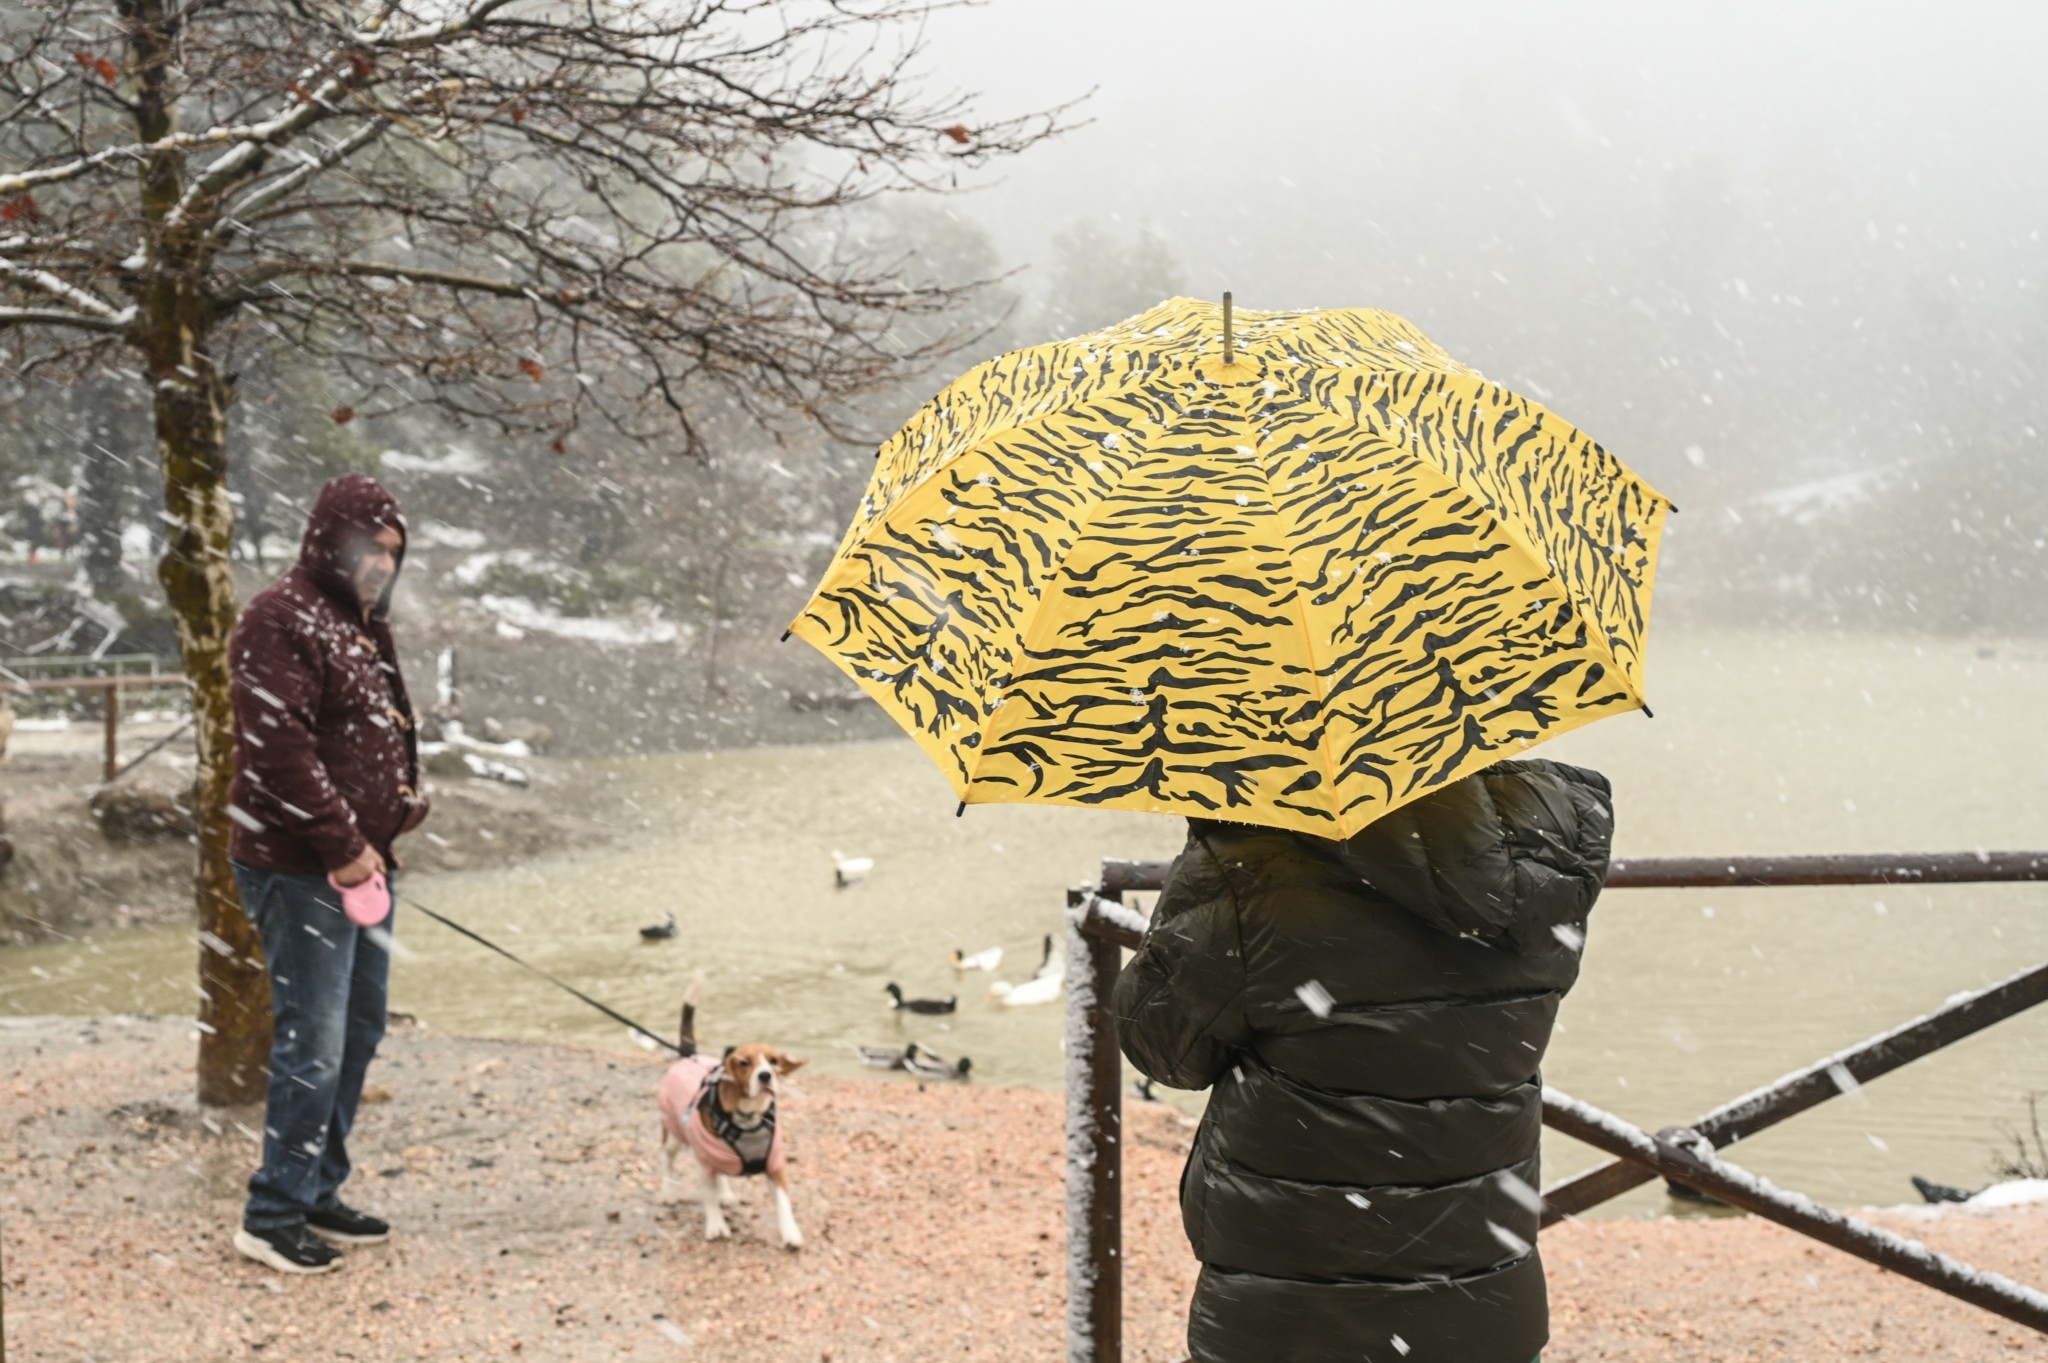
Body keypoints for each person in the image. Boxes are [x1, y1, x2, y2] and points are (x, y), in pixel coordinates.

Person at [1114, 758, 1613, 1363]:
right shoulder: (1543, 848)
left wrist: (1213, 849)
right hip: (1483, 1292)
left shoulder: (1259, 856)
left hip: (1291, 1296)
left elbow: (1163, 1048)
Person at [226, 473, 428, 1275]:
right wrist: (344, 842)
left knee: (360, 1031)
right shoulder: (279, 616)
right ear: (330, 537)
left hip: (360, 868)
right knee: (313, 1042)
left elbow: (378, 732)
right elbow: (277, 750)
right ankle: (271, 1215)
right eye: (371, 547)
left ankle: (313, 1189)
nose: (382, 563)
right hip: (301, 867)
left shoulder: (361, 623)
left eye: (393, 553)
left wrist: (401, 806)